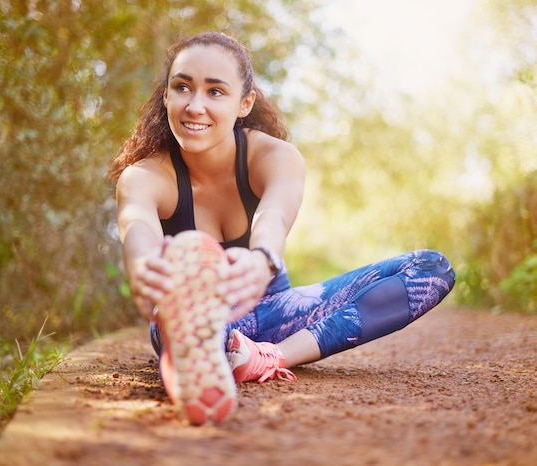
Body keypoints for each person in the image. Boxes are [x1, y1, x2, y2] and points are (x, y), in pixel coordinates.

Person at [106, 32, 455, 425]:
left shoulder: (275, 156)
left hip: (275, 309)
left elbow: (273, 216)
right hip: (194, 313)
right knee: (188, 307)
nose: (195, 105)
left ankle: (265, 357)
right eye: (182, 87)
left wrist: (263, 260)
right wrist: (141, 268)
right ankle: (197, 345)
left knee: (430, 269)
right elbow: (139, 231)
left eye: (215, 91)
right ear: (166, 96)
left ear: (245, 103)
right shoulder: (144, 176)